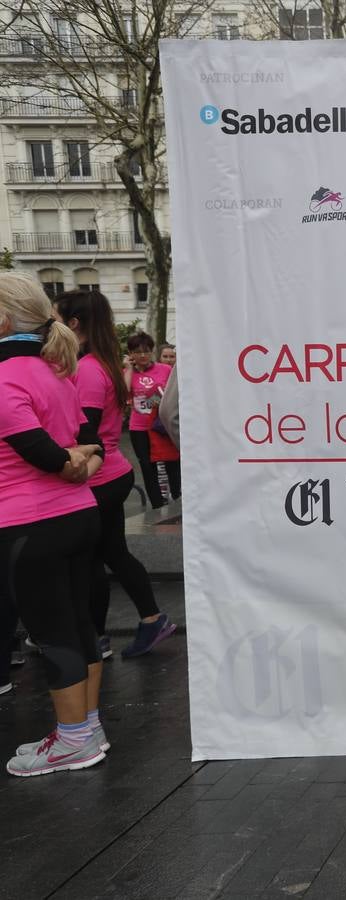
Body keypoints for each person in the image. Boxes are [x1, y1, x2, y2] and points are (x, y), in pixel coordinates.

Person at [0, 272, 106, 776]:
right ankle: (86, 728)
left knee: (54, 633)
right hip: (78, 514)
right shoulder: (56, 371)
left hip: (28, 525)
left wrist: (72, 460)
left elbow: (48, 457)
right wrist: (79, 461)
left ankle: (74, 741)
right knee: (80, 626)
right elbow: (92, 446)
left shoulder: (5, 377)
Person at [54, 291, 176, 659]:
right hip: (109, 474)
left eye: (56, 318)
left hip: (100, 476)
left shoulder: (89, 369)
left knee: (94, 558)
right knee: (112, 553)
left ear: (74, 324)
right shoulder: (98, 362)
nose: (51, 325)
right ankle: (147, 620)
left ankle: (97, 638)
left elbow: (86, 430)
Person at [124, 332, 173, 508]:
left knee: (169, 462)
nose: (142, 355)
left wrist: (154, 399)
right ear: (131, 353)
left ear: (152, 352)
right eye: (137, 352)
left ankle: (176, 500)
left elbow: (171, 395)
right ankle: (157, 505)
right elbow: (123, 395)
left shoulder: (165, 369)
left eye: (146, 351)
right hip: (138, 428)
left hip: (161, 426)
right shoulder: (126, 372)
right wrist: (128, 369)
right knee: (147, 466)